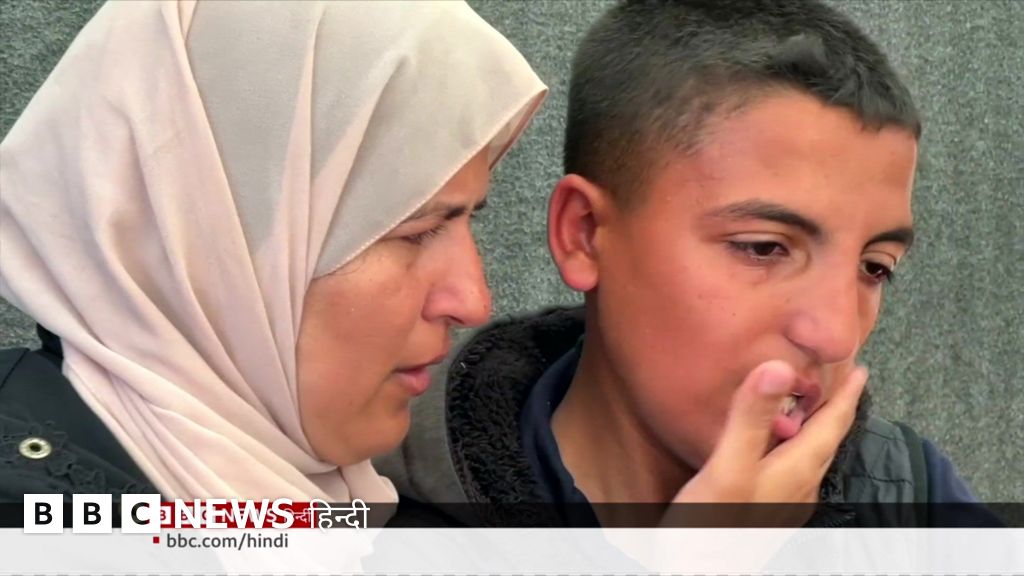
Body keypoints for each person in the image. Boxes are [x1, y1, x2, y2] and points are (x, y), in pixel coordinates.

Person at [380, 0, 1000, 527]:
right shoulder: (361, 518)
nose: (838, 335)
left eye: (875, 267)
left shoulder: (910, 500)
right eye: (763, 247)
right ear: (585, 234)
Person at [0, 0, 546, 511]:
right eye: (417, 232)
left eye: (470, 221)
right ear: (209, 240)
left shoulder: (334, 508)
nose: (473, 302)